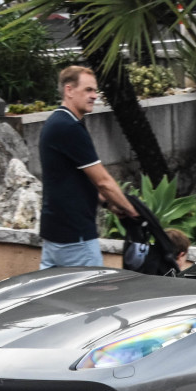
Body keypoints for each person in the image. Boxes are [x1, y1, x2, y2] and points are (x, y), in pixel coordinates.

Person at [39, 65, 138, 268]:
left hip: (55, 235)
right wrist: (133, 211)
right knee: (92, 297)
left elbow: (76, 181)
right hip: (76, 239)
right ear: (69, 90)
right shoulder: (69, 127)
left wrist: (109, 204)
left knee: (53, 297)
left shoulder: (56, 123)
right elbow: (103, 181)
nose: (94, 96)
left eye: (95, 91)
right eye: (88, 90)